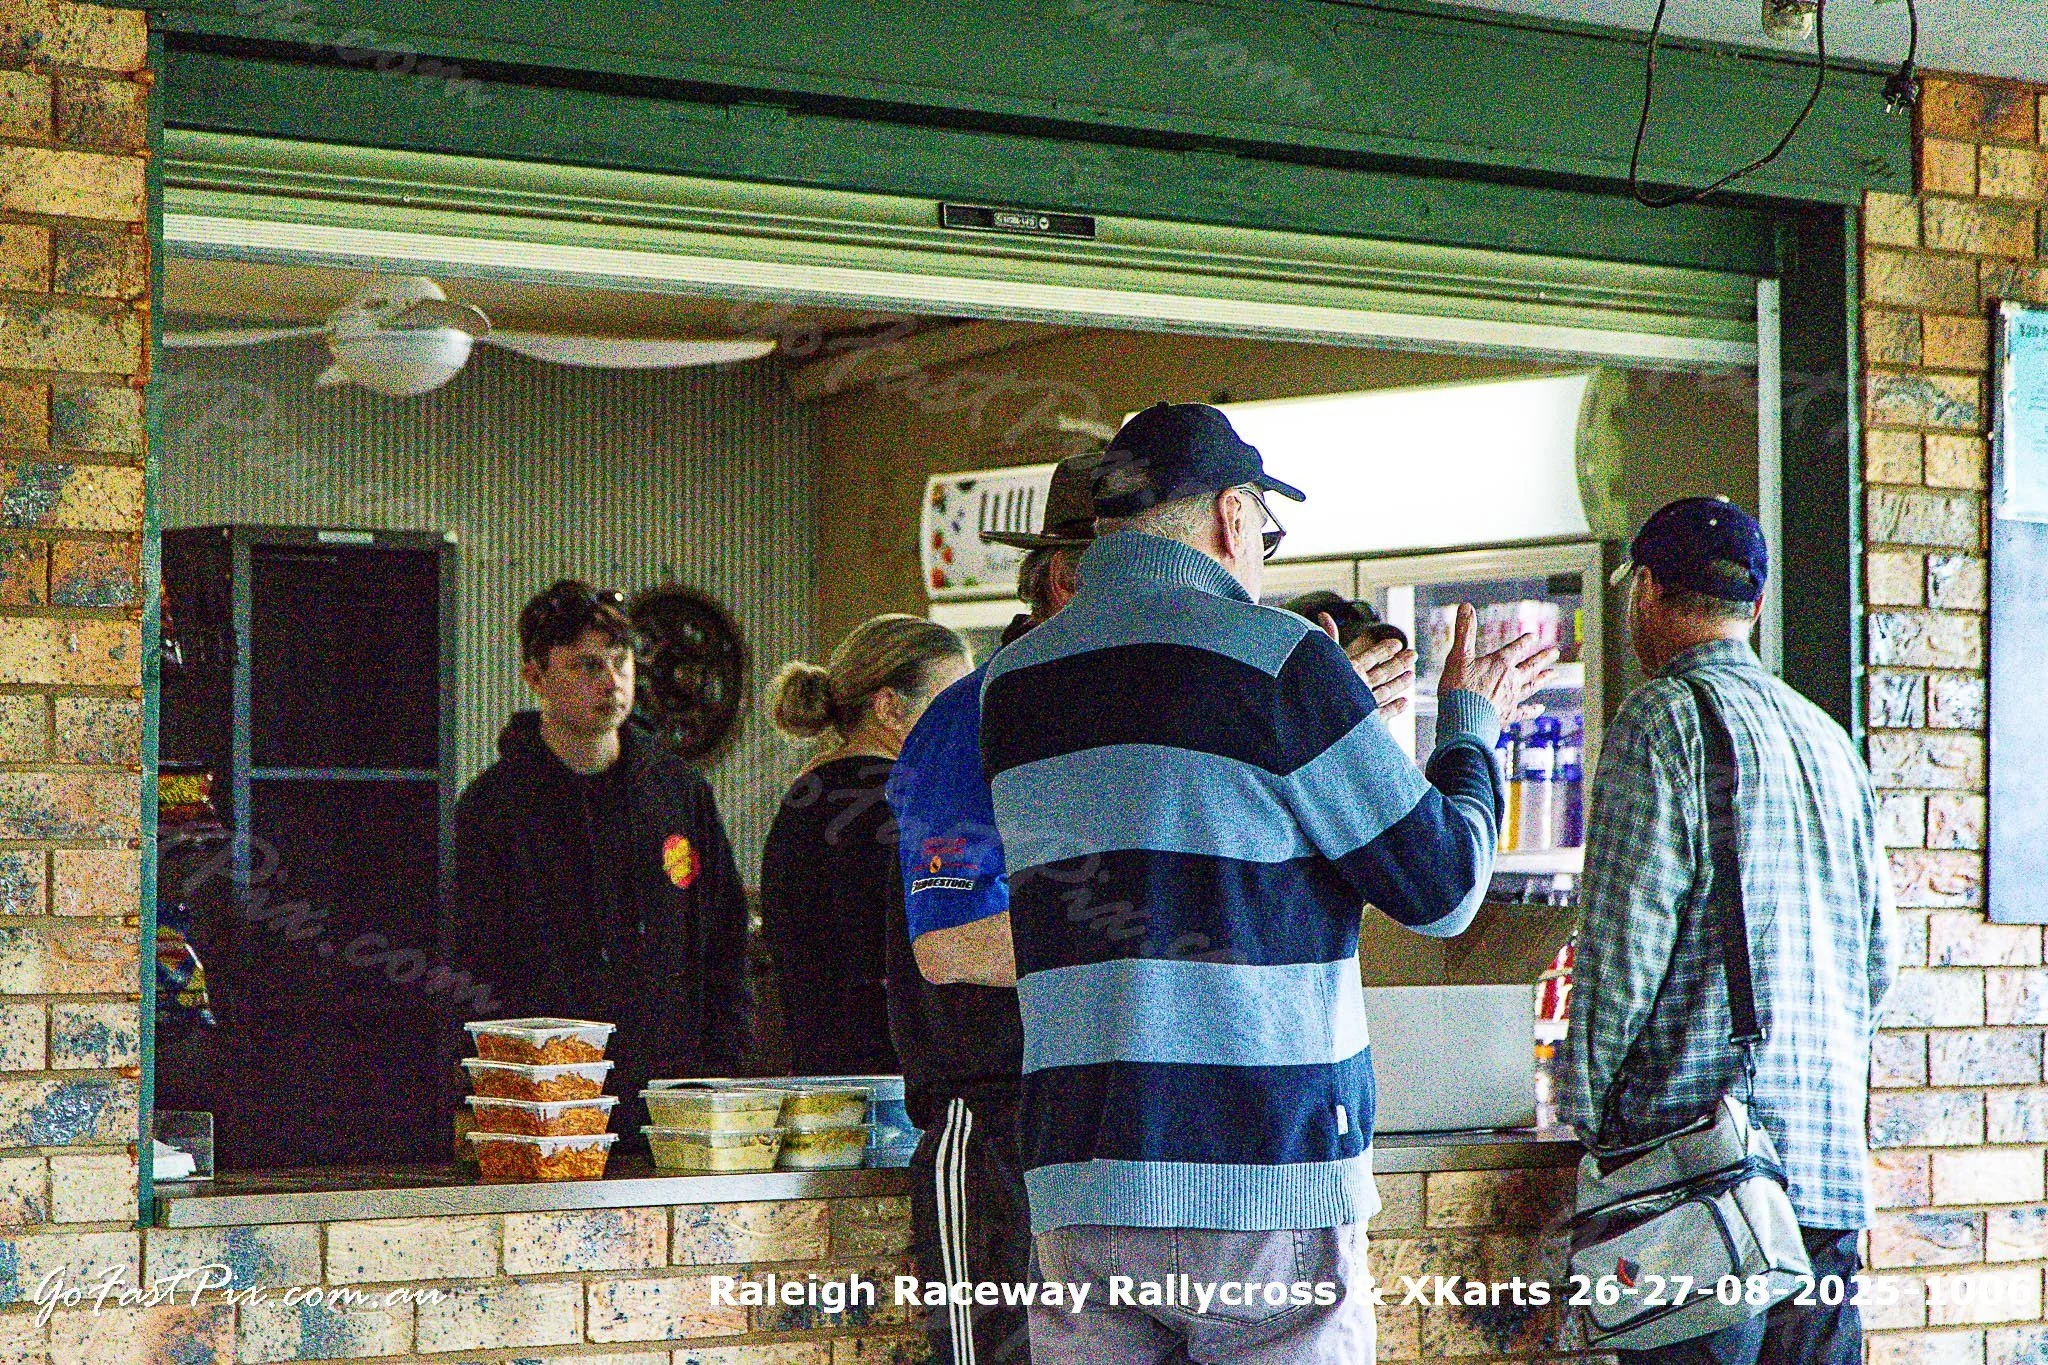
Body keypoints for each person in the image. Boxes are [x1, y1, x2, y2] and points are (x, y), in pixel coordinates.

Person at [966, 402, 1557, 1364]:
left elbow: (1172, 816)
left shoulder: (1013, 687)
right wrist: (1468, 730)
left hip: (1078, 1185)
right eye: (1266, 536)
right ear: (1233, 518)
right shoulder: (1284, 663)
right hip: (1260, 1180)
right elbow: (1444, 886)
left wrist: (1329, 725)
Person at [1560, 497, 1896, 1365]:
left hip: (1700, 1183)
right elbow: (1877, 963)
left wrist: (1592, 1127)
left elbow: (1619, 956)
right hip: (1824, 1182)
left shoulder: (1664, 719)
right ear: (1755, 606)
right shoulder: (1829, 741)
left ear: (1646, 592)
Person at [450, 580, 754, 1146]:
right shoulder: (494, 807)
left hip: (672, 1091)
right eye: (587, 667)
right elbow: (469, 958)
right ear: (535, 676)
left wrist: (727, 1068)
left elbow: (724, 937)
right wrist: (480, 1091)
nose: (611, 683)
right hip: (548, 1100)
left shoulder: (679, 794)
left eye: (621, 662)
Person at [760, 614, 971, 1076]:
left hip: (819, 1076)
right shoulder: (896, 808)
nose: (965, 723)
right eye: (951, 704)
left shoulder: (806, 797)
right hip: (890, 1086)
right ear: (889, 708)